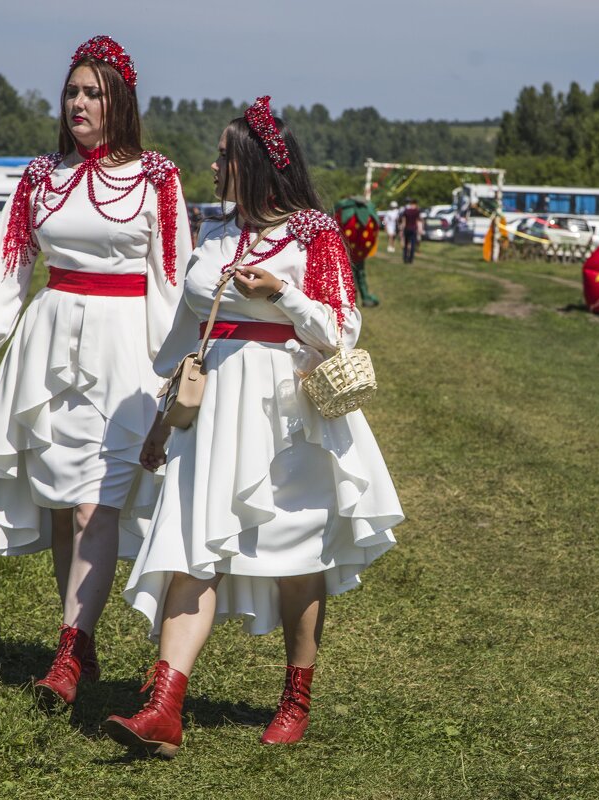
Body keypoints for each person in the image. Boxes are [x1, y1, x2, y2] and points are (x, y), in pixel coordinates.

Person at [104, 96, 403, 757]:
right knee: (191, 551)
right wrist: (163, 412)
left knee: (297, 558)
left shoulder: (315, 233)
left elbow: (343, 331)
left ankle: (296, 695)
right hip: (211, 414)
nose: (212, 165)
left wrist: (283, 294)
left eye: (222, 154)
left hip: (286, 412)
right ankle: (164, 708)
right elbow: (189, 333)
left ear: (254, 163)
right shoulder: (214, 237)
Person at [0, 35, 194, 709]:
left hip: (126, 353)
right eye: (72, 90)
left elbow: (172, 277)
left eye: (92, 92)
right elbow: (6, 268)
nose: (78, 101)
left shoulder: (157, 177)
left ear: (118, 102)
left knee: (99, 501)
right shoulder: (41, 177)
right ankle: (82, 637)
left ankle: (68, 651)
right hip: (52, 347)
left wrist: (175, 367)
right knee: (65, 505)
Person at [399, 198, 423, 263]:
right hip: (413, 229)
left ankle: (405, 258)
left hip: (407, 229)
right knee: (412, 245)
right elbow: (418, 220)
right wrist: (420, 229)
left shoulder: (406, 211)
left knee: (406, 244)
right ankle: (410, 259)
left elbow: (404, 221)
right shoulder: (417, 211)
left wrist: (401, 230)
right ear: (415, 204)